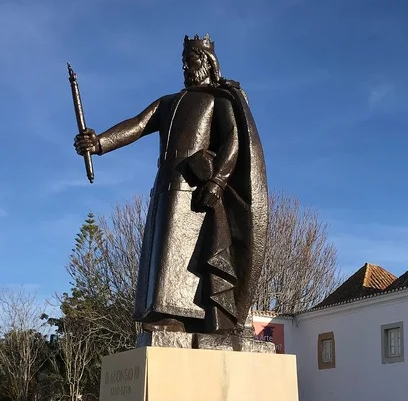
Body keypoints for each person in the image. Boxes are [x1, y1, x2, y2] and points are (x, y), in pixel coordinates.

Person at [74, 34, 268, 339]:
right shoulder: (167, 103)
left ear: (206, 62)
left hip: (196, 187)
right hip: (166, 183)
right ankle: (166, 313)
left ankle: (183, 317)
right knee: (163, 249)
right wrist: (99, 143)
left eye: (190, 60)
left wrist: (217, 180)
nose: (186, 68)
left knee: (185, 251)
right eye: (183, 61)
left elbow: (234, 140)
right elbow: (137, 125)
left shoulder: (219, 100)